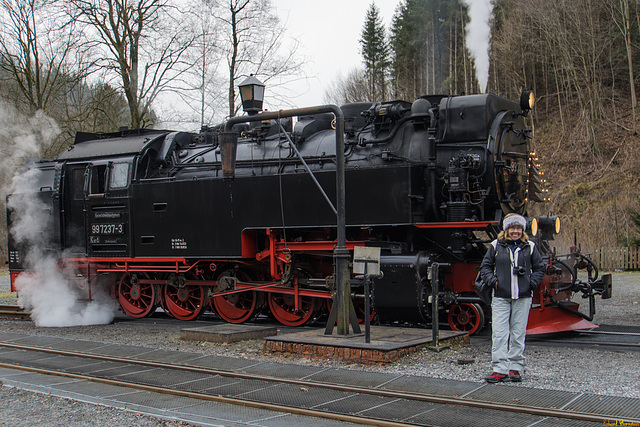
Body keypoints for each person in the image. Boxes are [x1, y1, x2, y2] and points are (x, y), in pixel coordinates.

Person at [480, 213, 545, 383]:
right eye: (512, 228)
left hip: (523, 296)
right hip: (501, 296)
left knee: (518, 333)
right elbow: (485, 267)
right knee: (500, 333)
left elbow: (539, 268)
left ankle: (515, 367)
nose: (515, 231)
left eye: (518, 228)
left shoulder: (530, 246)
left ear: (522, 230)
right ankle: (500, 368)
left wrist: (532, 283)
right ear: (506, 230)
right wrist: (493, 282)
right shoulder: (495, 246)